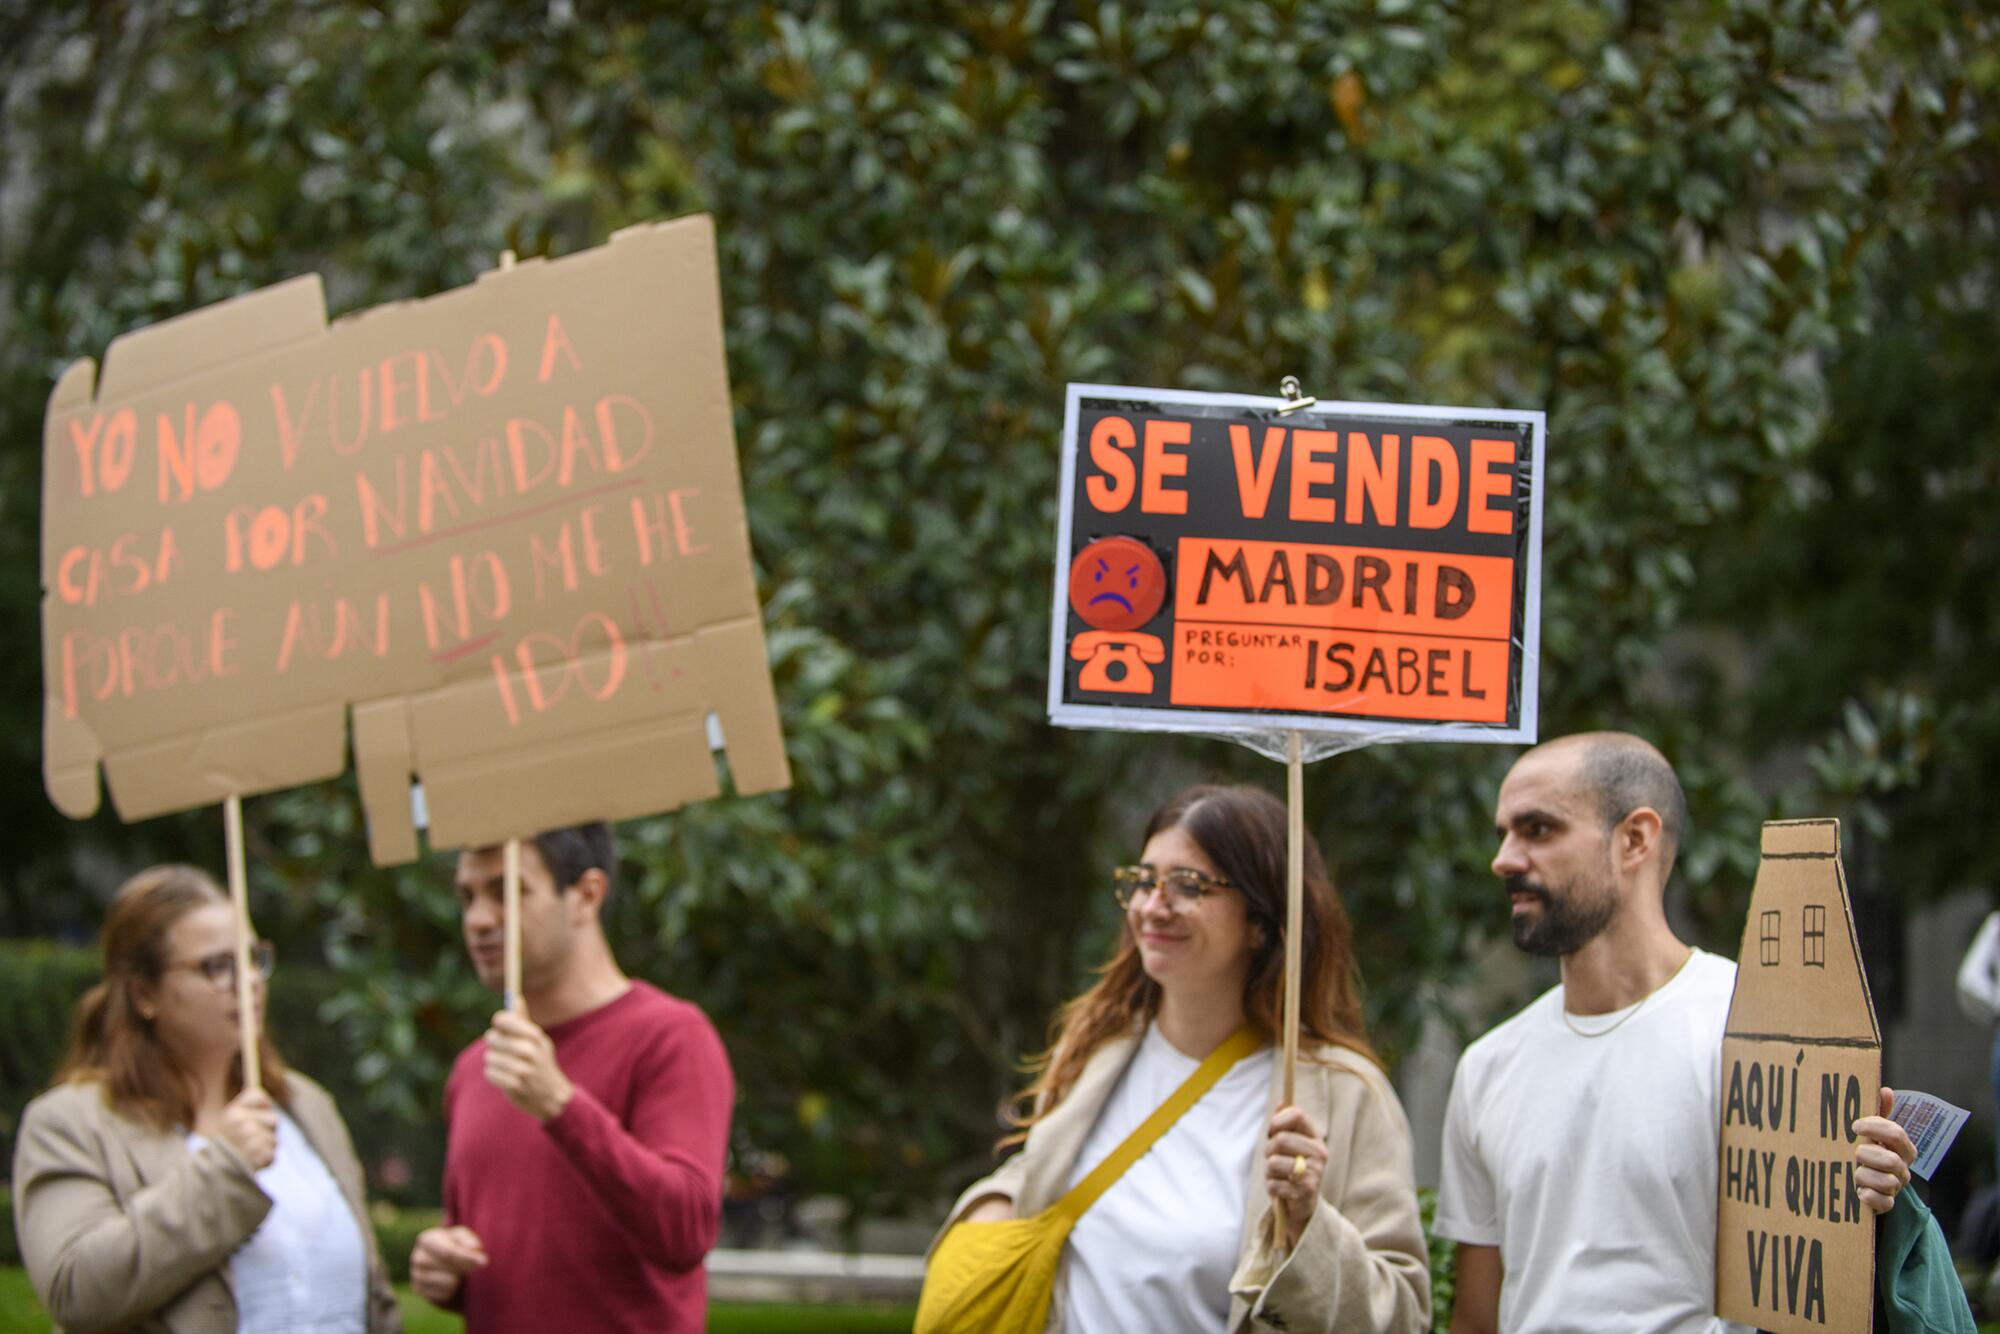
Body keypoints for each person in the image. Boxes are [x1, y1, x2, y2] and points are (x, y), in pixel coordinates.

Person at [1435, 732, 1927, 1334]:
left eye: (1537, 829)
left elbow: (1817, 1293)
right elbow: (1476, 1320)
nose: (1504, 860)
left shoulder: (1764, 1034)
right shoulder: (1487, 1067)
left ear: (1635, 839)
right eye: (1503, 833)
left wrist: (1872, 1202)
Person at [928, 784, 1431, 1332]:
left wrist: (1310, 1225)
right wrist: (993, 1205)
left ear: (1260, 922)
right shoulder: (1099, 1047)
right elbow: (1044, 1172)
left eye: (1188, 886)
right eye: (1143, 881)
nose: (1151, 906)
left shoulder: (1345, 1092)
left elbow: (1402, 1315)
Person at [12, 865, 400, 1333]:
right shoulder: (71, 1122)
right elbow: (76, 1291)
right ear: (143, 994)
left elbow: (374, 1297)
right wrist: (225, 1171)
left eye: (254, 958)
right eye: (218, 966)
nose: (250, 981)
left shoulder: (305, 1104)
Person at [409, 822, 733, 1333]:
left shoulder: (671, 1037)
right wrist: (444, 1268)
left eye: (507, 892)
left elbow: (686, 1231)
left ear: (586, 895)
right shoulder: (477, 1068)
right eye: (467, 897)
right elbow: (514, 1254)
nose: (477, 919)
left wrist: (560, 1103)